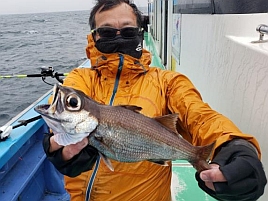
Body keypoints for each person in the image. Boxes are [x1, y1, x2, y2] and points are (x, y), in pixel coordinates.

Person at [43, 0, 267, 200]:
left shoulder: (168, 82)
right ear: (95, 37)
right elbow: (68, 121)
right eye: (108, 32)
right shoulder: (80, 79)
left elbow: (200, 115)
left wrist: (234, 145)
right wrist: (57, 150)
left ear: (140, 34)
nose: (119, 38)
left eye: (128, 31)